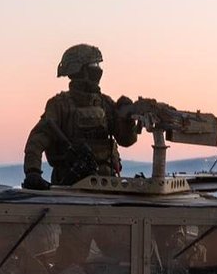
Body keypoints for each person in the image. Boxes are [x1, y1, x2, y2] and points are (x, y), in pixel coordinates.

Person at [22, 44, 142, 189]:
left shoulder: (106, 104)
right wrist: (32, 172)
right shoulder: (60, 105)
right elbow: (37, 140)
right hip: (70, 187)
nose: (98, 69)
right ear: (79, 69)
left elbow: (126, 140)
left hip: (108, 185)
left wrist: (127, 121)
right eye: (93, 64)